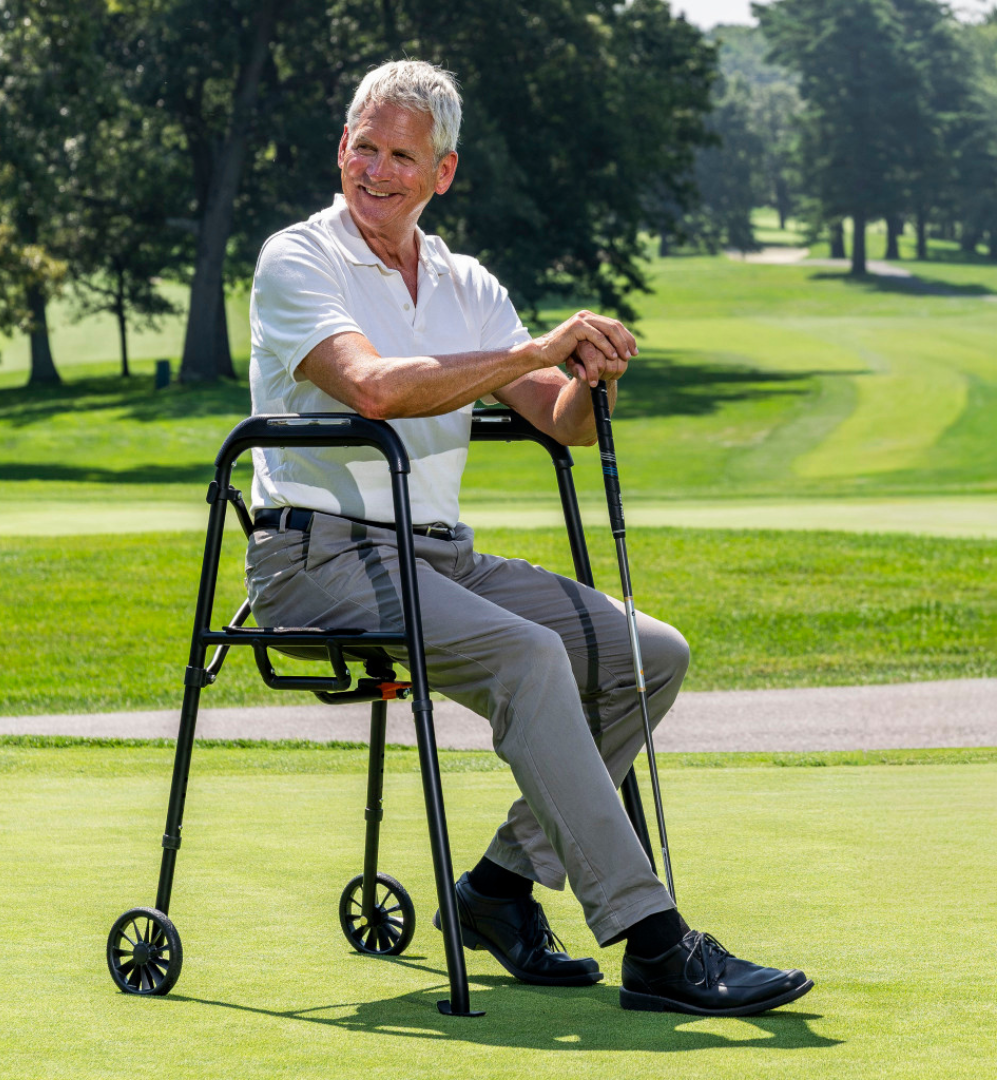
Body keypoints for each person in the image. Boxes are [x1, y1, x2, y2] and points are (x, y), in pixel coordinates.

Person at [244, 59, 813, 1016]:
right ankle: (654, 939)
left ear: (443, 173)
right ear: (342, 148)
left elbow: (561, 417)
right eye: (363, 149)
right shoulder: (297, 258)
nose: (376, 171)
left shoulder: (469, 284)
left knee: (647, 653)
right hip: (317, 556)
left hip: (439, 555)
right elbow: (374, 387)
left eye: (402, 157)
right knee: (530, 655)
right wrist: (531, 349)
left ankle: (498, 890)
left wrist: (590, 369)